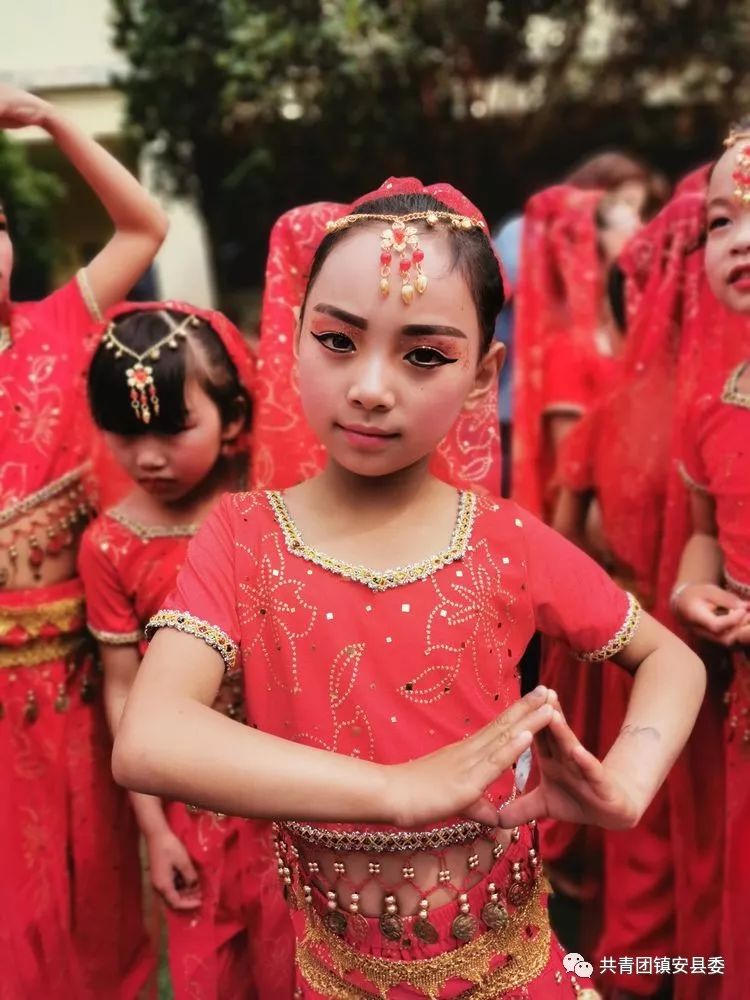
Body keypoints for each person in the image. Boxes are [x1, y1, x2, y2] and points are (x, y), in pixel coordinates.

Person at [113, 177, 704, 999]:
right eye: (338, 340)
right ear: (293, 340)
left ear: (479, 377)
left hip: (512, 974)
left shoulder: (507, 539)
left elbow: (673, 661)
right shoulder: (243, 536)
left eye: (423, 354)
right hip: (335, 974)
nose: (371, 386)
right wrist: (395, 790)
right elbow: (151, 738)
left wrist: (627, 785)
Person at [0, 84, 167, 996]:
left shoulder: (59, 324)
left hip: (79, 669)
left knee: (99, 879)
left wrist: (54, 121)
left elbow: (142, 229)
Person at [78, 300, 295, 999]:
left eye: (174, 430)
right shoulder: (110, 545)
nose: (147, 456)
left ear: (233, 420)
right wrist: (154, 832)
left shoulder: (274, 513)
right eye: (122, 431)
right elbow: (123, 691)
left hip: (291, 796)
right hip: (190, 813)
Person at [670, 124, 750, 999]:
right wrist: (692, 588)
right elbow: (702, 527)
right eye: (721, 222)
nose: (742, 240)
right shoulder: (713, 410)